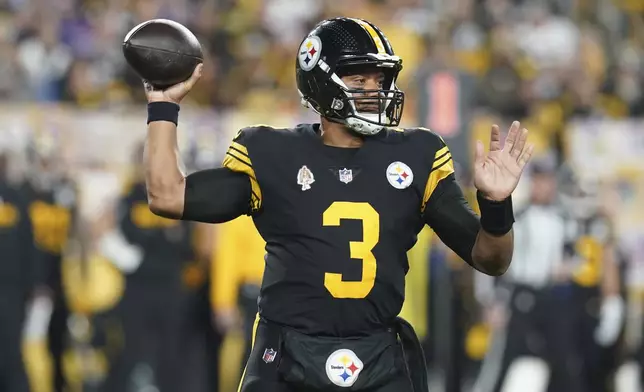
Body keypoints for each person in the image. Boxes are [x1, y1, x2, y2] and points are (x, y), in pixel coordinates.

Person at [139, 17, 533, 392]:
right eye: (359, 78)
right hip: (287, 356)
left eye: (379, 79)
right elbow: (167, 195)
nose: (374, 90)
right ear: (321, 83)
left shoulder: (417, 154)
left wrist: (496, 205)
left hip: (378, 354)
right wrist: (162, 105)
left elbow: (491, 259)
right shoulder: (273, 154)